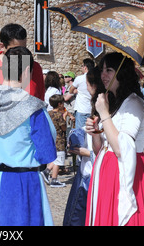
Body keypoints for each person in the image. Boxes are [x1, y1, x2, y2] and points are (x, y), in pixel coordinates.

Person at [0, 46, 57, 225]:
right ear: (26, 71)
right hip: (25, 183)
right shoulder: (34, 108)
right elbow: (47, 152)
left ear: (3, 69)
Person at [85, 52, 144, 226]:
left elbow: (121, 149)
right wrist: (96, 133)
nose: (103, 75)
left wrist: (103, 114)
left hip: (122, 172)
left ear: (122, 73)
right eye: (102, 70)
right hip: (106, 170)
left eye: (109, 70)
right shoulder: (115, 101)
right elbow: (100, 149)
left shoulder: (134, 104)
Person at [63, 66, 103, 226]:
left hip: (91, 172)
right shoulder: (99, 106)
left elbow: (112, 149)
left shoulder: (105, 107)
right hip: (88, 170)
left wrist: (86, 152)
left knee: (78, 217)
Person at [0, 23, 45, 100]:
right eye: (15, 49)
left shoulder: (34, 68)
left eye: (24, 48)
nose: (21, 52)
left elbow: (40, 102)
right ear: (2, 46)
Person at [42, 94, 68, 188]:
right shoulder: (59, 115)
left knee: (55, 157)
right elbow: (64, 128)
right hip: (59, 139)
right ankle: (54, 179)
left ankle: (47, 171)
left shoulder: (48, 113)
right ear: (60, 104)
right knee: (59, 160)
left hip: (51, 138)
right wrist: (65, 117)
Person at [69, 58, 94, 129]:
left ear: (85, 67)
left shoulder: (80, 78)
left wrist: (76, 91)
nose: (81, 68)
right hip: (92, 110)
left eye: (82, 66)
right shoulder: (96, 78)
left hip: (81, 109)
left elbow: (71, 90)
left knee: (80, 133)